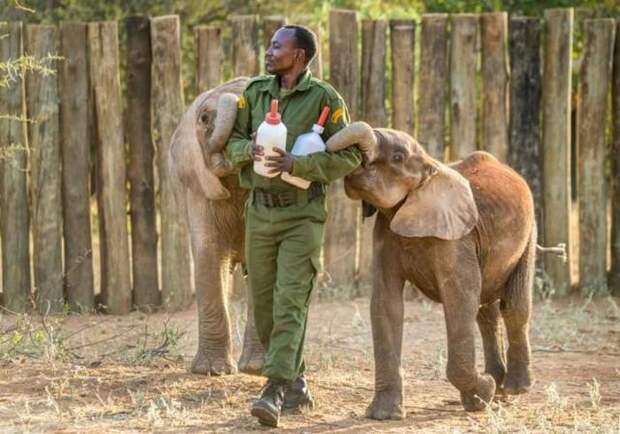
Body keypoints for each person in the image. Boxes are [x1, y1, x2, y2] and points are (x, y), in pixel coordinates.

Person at [225, 25, 362, 427]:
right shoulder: (253, 93)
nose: (269, 51)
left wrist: (298, 165)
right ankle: (297, 382)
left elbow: (350, 155)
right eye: (269, 45)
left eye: (277, 46)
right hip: (260, 212)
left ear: (299, 55)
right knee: (263, 306)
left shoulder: (325, 98)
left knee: (290, 301)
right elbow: (231, 140)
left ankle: (275, 388)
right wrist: (245, 149)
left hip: (302, 215)